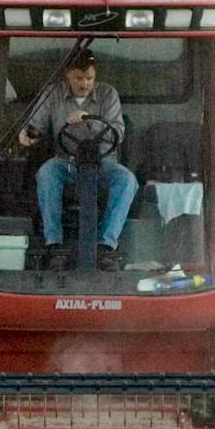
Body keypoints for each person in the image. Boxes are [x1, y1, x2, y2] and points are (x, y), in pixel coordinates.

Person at [18, 50, 137, 270]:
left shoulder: (108, 94)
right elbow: (37, 126)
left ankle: (106, 245)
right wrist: (28, 135)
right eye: (79, 78)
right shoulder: (53, 94)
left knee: (127, 180)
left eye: (89, 78)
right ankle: (54, 243)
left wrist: (89, 119)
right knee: (46, 172)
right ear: (67, 75)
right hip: (67, 162)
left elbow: (118, 133)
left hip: (103, 163)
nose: (84, 83)